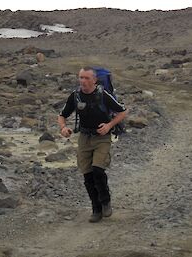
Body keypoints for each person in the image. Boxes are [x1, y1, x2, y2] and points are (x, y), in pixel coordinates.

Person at [58, 66, 128, 223]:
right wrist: (63, 128)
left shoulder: (103, 95)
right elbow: (62, 115)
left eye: (86, 78)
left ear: (94, 80)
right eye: (81, 77)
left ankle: (105, 201)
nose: (83, 81)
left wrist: (109, 126)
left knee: (98, 169)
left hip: (102, 138)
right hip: (84, 137)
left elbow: (122, 111)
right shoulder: (75, 96)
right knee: (87, 174)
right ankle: (96, 209)